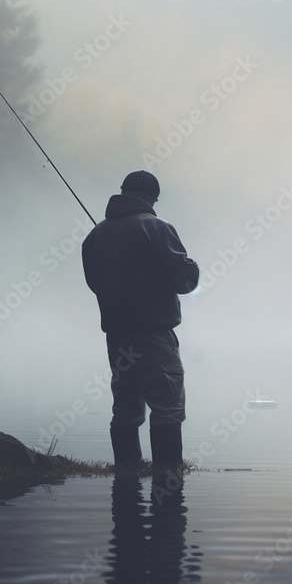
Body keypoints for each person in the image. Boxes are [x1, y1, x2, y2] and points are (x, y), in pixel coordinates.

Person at [81, 170, 199, 467]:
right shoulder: (158, 228)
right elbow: (185, 281)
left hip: (117, 336)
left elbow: (94, 283)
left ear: (122, 191)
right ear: (152, 198)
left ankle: (127, 476)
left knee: (125, 408)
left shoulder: (95, 236)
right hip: (154, 335)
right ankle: (168, 479)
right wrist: (192, 268)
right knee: (168, 406)